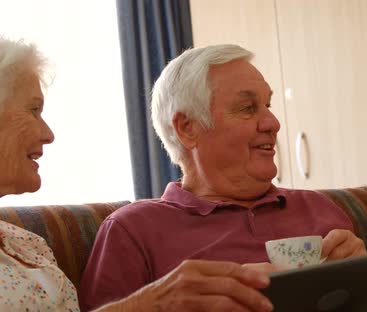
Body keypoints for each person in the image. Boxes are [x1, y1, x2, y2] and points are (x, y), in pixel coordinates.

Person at [79, 44, 367, 311]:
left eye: (268, 105)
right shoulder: (132, 230)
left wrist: (366, 274)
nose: (273, 123)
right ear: (187, 128)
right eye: (247, 108)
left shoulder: (319, 208)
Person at [0, 36, 277, 312]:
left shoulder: (29, 247)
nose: (49, 134)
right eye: (33, 110)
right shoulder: (132, 229)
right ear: (187, 128)